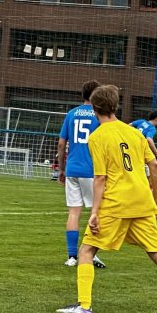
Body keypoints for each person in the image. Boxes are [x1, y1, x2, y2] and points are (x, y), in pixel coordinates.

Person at [56, 84, 157, 313]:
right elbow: (153, 165)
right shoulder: (134, 132)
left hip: (115, 203)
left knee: (87, 250)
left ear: (96, 108)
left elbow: (100, 178)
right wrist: (155, 197)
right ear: (115, 106)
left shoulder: (97, 137)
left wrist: (95, 212)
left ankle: (84, 305)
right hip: (141, 201)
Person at [55, 80, 106, 269]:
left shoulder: (71, 113)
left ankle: (72, 256)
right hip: (92, 170)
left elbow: (61, 144)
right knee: (98, 212)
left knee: (74, 212)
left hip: (72, 169)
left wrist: (61, 168)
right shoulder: (98, 116)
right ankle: (90, 254)